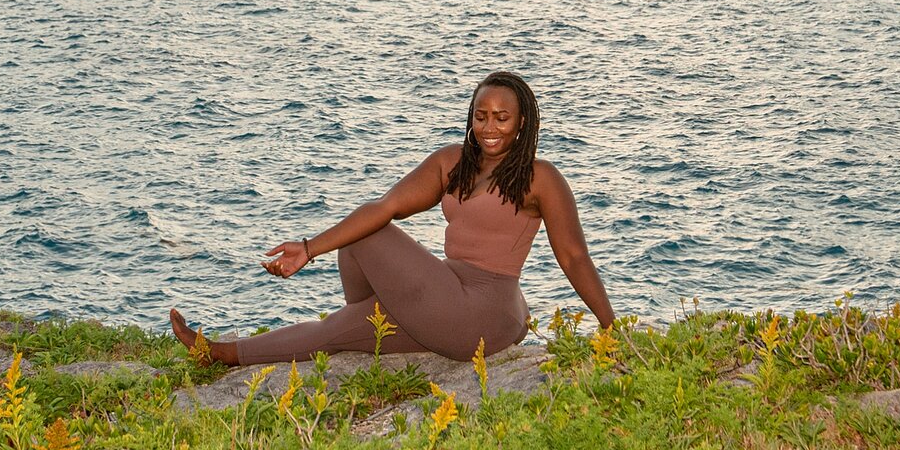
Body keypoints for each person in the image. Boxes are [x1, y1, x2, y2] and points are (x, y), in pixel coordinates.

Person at [168, 71, 614, 365]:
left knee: (365, 237)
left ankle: (226, 353)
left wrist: (612, 330)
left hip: (483, 311)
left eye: (502, 118)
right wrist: (314, 246)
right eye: (481, 117)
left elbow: (574, 258)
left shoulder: (541, 178)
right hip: (448, 299)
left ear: (522, 123)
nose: (490, 128)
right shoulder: (451, 162)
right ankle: (356, 325)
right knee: (351, 286)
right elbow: (386, 206)